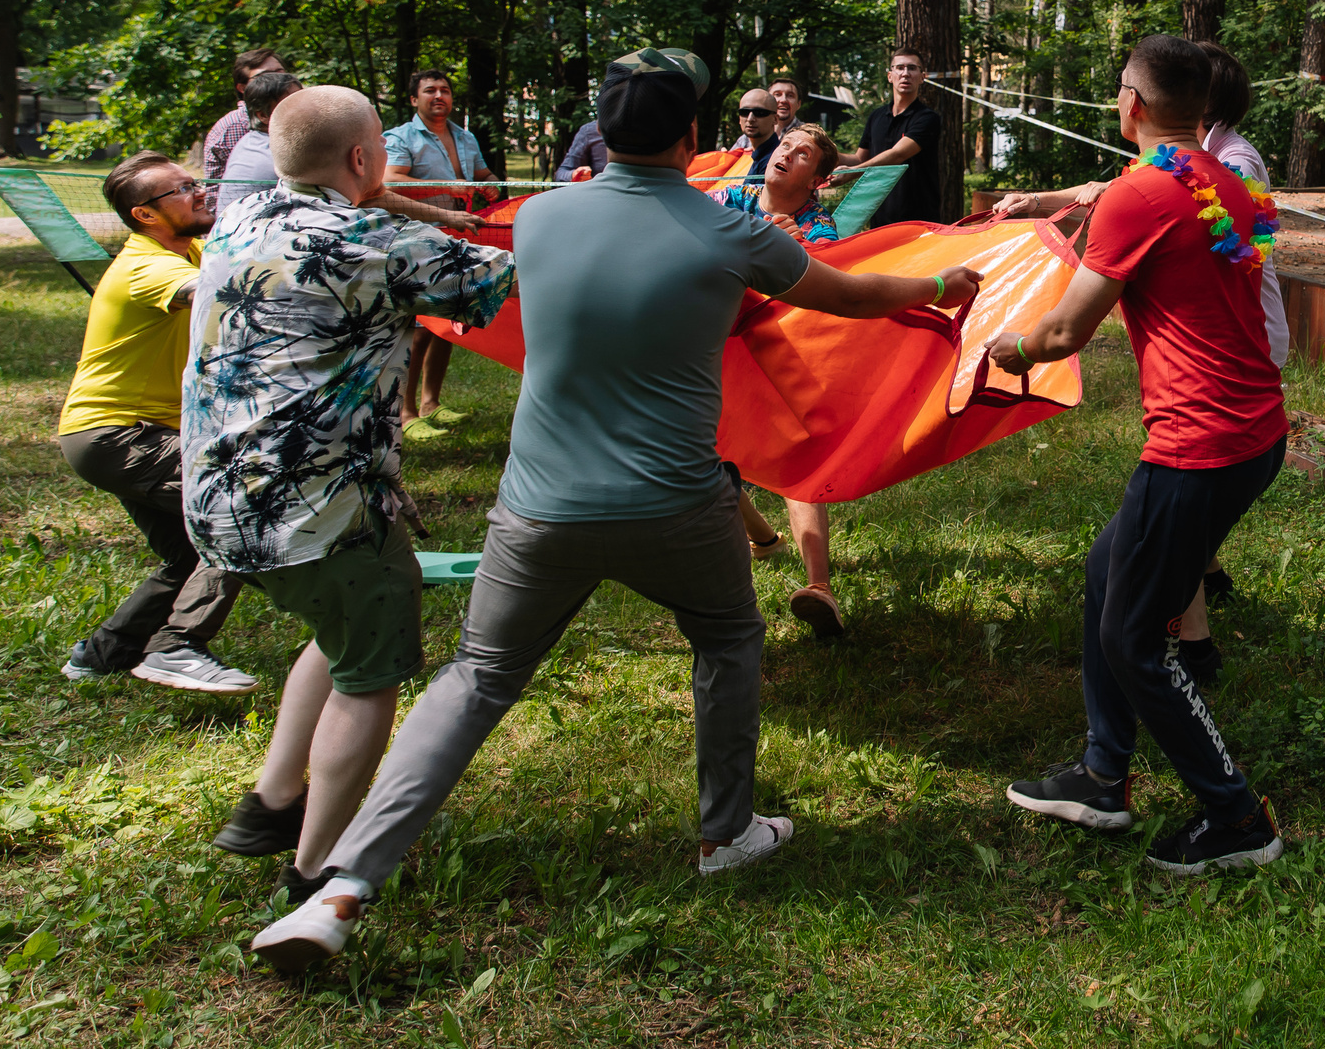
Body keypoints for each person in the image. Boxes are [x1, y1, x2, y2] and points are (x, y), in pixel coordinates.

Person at [248, 49, 983, 973]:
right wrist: (939, 284)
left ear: (603, 131)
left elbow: (478, 250)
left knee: (476, 679)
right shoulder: (728, 232)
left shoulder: (547, 213)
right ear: (692, 139)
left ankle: (342, 889)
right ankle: (726, 833)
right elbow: (847, 296)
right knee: (727, 640)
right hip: (678, 504)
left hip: (539, 507)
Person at [182, 86, 517, 906]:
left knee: (338, 635)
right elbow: (507, 277)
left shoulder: (242, 213)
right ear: (365, 159)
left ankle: (270, 802)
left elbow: (357, 202)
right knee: (371, 672)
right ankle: (316, 865)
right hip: (319, 510)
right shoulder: (380, 245)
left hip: (221, 500)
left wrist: (421, 208)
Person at [987, 35, 1287, 876]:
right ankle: (1100, 773)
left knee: (1133, 636)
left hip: (1200, 442)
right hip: (1252, 429)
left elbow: (1064, 330)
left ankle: (1236, 818)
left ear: (1131, 104)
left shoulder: (1139, 192)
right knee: (1103, 576)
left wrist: (1007, 347)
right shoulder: (1232, 183)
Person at [55, 153, 255, 695]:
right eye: (184, 188)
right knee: (242, 506)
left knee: (188, 552)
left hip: (124, 433)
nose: (200, 192)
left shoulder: (185, 246)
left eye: (195, 182)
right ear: (146, 214)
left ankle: (103, 653)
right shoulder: (148, 265)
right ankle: (177, 647)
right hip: (118, 435)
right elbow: (220, 298)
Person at [714, 122, 847, 635]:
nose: (787, 153)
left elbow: (835, 284)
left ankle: (820, 587)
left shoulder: (818, 226)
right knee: (710, 454)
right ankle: (764, 540)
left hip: (781, 358)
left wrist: (799, 254)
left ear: (817, 179)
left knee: (798, 461)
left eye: (803, 153)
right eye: (786, 145)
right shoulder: (729, 196)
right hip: (719, 348)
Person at [382, 71, 499, 423]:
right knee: (419, 330)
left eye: (445, 90)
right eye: (429, 90)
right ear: (414, 99)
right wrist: (449, 185)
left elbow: (482, 174)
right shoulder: (400, 137)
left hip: (456, 236)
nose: (438, 96)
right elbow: (389, 182)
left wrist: (493, 185)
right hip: (416, 237)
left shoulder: (464, 137)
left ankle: (432, 403)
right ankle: (405, 412)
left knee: (449, 323)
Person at [840, 48, 943, 226]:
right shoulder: (876, 117)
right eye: (900, 68)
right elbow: (858, 158)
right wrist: (824, 153)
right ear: (890, 75)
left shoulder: (928, 118)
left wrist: (851, 174)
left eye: (912, 68)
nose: (905, 74)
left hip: (919, 222)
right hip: (879, 218)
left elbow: (898, 155)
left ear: (922, 76)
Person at [218, 71, 301, 211]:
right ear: (263, 115)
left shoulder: (249, 140)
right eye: (292, 105)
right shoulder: (279, 151)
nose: (306, 109)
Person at [201, 47, 286, 182]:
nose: (278, 80)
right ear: (242, 88)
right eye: (266, 76)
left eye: (280, 72)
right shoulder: (236, 124)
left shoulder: (288, 114)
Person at [733, 88, 784, 178]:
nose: (750, 119)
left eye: (759, 113)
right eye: (744, 112)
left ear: (775, 119)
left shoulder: (778, 161)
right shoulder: (743, 157)